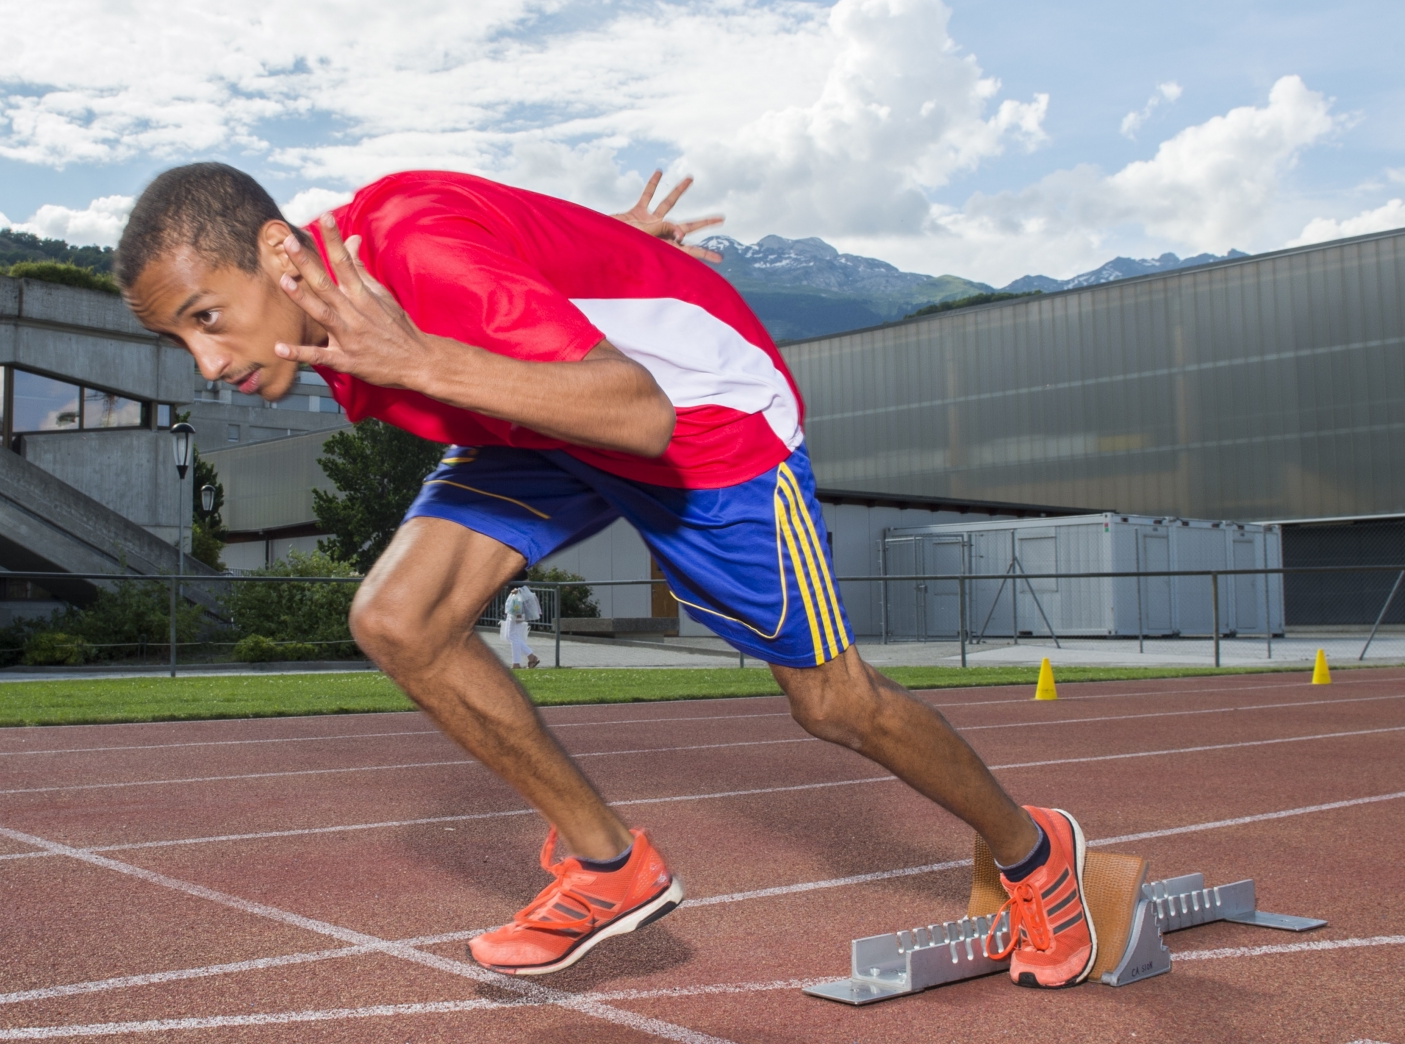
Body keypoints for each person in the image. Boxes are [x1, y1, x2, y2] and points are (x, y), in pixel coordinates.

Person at [117, 164, 1097, 989]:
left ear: (282, 255)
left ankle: (1035, 853)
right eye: (181, 339)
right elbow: (503, 244)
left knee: (833, 703)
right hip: (542, 420)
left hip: (702, 427)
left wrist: (424, 356)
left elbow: (640, 414)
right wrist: (595, 255)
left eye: (209, 317)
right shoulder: (343, 279)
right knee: (398, 618)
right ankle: (611, 863)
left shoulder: (414, 270)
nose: (206, 360)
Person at [500, 585, 541, 669]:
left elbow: (527, 584)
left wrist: (518, 590)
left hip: (517, 603)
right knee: (509, 636)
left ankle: (516, 663)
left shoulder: (520, 573)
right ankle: (531, 657)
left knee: (512, 636)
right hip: (514, 601)